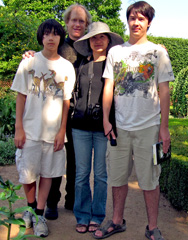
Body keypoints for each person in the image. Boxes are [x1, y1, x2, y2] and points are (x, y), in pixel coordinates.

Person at [94, 1, 174, 239]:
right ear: (127, 20)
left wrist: (164, 129)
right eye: (132, 17)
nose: (136, 22)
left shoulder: (159, 53)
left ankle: (152, 228)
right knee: (117, 179)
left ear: (148, 22)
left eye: (141, 18)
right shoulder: (115, 52)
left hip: (149, 128)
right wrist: (107, 122)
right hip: (119, 128)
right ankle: (117, 221)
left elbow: (164, 90)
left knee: (150, 180)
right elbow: (109, 87)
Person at [23, 3, 92, 220]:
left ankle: (72, 199)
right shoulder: (60, 46)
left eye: (82, 21)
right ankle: (51, 202)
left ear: (87, 25)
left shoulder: (92, 46)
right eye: (74, 20)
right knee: (52, 158)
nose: (78, 24)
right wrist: (29, 54)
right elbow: (42, 59)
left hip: (82, 113)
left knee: (75, 160)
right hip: (56, 112)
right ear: (67, 22)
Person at [11, 19, 76, 237]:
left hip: (52, 133)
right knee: (27, 175)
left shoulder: (67, 67)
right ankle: (29, 208)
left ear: (60, 38)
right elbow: (21, 96)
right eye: (46, 34)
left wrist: (62, 131)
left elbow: (66, 102)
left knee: (48, 174)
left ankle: (39, 214)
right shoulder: (29, 63)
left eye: (55, 34)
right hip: (29, 131)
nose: (50, 38)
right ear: (41, 37)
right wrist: (18, 127)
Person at [71, 22, 123, 234]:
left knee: (101, 175)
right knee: (82, 174)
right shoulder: (80, 64)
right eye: (93, 37)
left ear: (108, 40)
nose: (98, 40)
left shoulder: (115, 65)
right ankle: (82, 215)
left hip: (104, 128)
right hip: (80, 127)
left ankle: (98, 215)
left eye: (102, 36)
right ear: (88, 41)